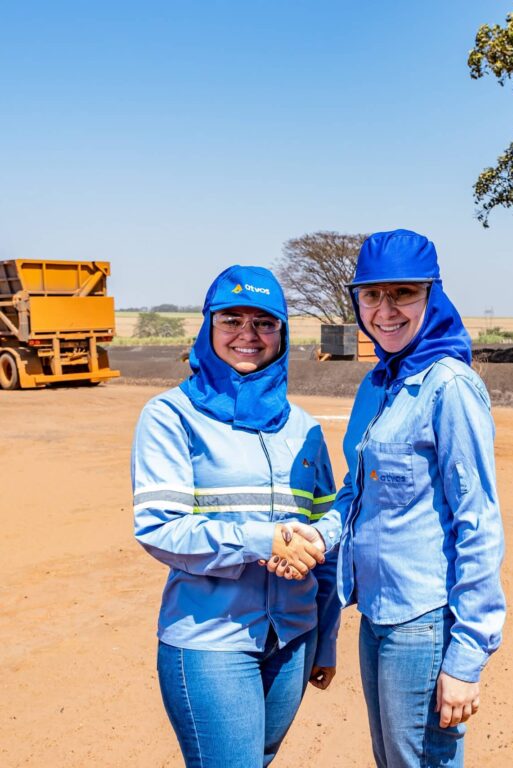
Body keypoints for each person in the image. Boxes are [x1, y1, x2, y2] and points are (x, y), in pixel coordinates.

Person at [276, 229, 506, 767]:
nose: (386, 309)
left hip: (423, 621)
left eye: (402, 293)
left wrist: (467, 656)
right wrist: (319, 533)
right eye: (372, 295)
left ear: (432, 295)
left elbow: (479, 521)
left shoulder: (450, 386)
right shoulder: (377, 384)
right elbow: (355, 494)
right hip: (376, 614)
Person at [131, 265, 340, 768]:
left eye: (264, 323)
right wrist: (263, 540)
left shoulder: (303, 428)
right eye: (232, 320)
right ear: (208, 327)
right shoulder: (171, 416)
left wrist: (326, 637)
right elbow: (159, 526)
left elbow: (330, 532)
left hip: (291, 639)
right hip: (211, 641)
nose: (248, 335)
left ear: (282, 334)